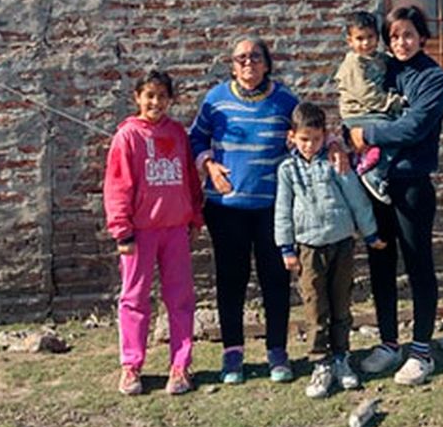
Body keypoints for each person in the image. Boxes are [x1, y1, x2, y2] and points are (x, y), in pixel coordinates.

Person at [189, 34, 343, 385]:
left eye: (255, 57)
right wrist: (209, 165)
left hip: (273, 209)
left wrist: (334, 144)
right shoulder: (215, 100)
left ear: (267, 62)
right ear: (232, 64)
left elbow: (311, 129)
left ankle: (277, 351)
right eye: (241, 58)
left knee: (275, 279)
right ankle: (232, 354)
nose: (248, 63)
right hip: (225, 208)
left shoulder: (284, 100)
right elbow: (195, 138)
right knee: (231, 280)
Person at [348, 5, 443, 386]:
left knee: (418, 263)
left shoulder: (433, 78)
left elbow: (414, 127)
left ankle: (421, 349)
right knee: (380, 261)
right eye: (393, 36)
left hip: (411, 185)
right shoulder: (382, 71)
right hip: (375, 183)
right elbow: (356, 107)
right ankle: (389, 343)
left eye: (408, 34)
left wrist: (367, 135)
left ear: (421, 37)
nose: (401, 42)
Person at [274, 101, 386, 398]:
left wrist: (370, 231)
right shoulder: (287, 170)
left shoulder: (336, 163)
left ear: (326, 136)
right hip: (309, 247)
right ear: (292, 137)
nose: (310, 145)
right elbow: (282, 209)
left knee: (341, 301)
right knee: (314, 305)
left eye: (316, 138)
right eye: (303, 139)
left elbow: (356, 199)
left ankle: (341, 357)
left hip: (341, 243)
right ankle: (320, 361)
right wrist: (286, 247)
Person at [103, 69, 204, 396]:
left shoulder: (177, 133)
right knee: (134, 298)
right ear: (137, 98)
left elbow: (189, 177)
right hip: (140, 233)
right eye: (149, 96)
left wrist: (194, 218)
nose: (155, 102)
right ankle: (131, 367)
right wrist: (122, 231)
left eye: (162, 96)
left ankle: (180, 365)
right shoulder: (128, 137)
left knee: (180, 299)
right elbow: (117, 186)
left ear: (170, 99)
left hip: (174, 229)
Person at [333, 11, 405, 204]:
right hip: (358, 115)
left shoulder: (378, 58)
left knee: (394, 130)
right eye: (360, 39)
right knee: (394, 132)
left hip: (372, 114)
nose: (366, 43)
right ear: (350, 41)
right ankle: (374, 173)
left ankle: (371, 156)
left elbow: (392, 63)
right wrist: (394, 103)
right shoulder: (353, 64)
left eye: (370, 37)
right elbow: (367, 94)